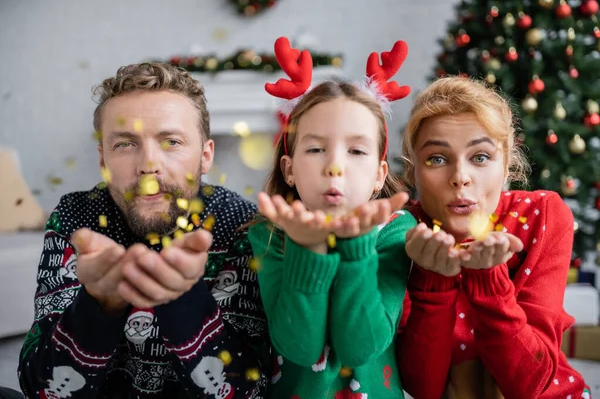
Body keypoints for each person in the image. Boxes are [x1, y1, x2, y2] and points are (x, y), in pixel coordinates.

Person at [18, 62, 269, 398]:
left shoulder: (240, 225)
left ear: (205, 156)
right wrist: (97, 306)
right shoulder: (75, 218)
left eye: (172, 142)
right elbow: (39, 389)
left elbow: (254, 390)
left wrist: (184, 300)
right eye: (125, 144)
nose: (148, 164)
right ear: (103, 160)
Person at [396, 75, 591, 398]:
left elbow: (531, 384)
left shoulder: (542, 215)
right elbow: (422, 388)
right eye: (437, 159)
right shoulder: (402, 231)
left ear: (507, 165)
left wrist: (489, 282)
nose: (460, 177)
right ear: (413, 170)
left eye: (480, 157)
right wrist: (434, 280)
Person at [247, 36, 416, 398]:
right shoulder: (271, 233)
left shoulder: (395, 231)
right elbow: (299, 348)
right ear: (289, 170)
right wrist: (307, 249)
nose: (335, 166)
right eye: (315, 148)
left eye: (356, 150)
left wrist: (357, 248)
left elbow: (360, 348)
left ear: (379, 175)